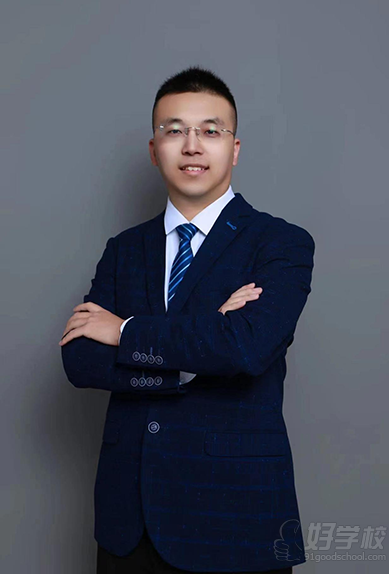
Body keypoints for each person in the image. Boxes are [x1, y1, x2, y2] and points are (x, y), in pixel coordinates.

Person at [60, 66, 315, 573]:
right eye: (174, 130)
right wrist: (189, 359)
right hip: (128, 521)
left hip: (234, 517)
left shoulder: (281, 243)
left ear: (234, 149)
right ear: (155, 150)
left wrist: (124, 330)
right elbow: (81, 359)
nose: (192, 145)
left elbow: (245, 347)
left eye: (210, 131)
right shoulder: (124, 249)